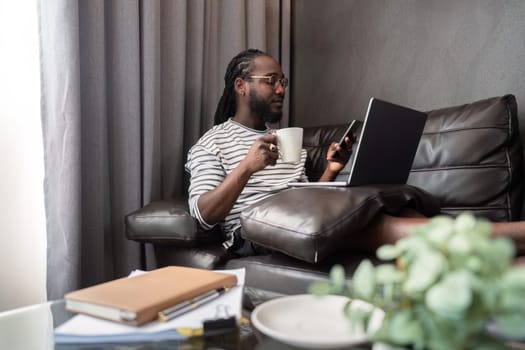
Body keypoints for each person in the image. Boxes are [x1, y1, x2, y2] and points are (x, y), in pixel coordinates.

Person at [186, 48, 525, 257]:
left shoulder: (285, 140)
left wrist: (332, 170)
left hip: (301, 218)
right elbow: (203, 216)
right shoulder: (211, 142)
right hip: (253, 230)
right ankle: (511, 237)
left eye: (283, 82)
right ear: (241, 85)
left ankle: (498, 258)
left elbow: (303, 198)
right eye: (271, 80)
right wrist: (247, 166)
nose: (280, 89)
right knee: (377, 228)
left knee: (396, 215)